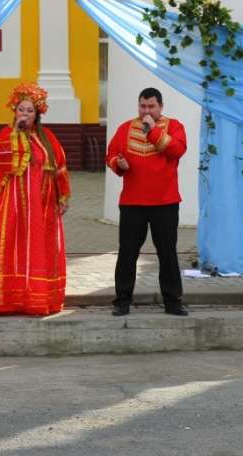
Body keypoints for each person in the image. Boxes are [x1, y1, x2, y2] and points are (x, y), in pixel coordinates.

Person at [0, 82, 71, 315]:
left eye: (30, 111)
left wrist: (63, 196)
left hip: (43, 206)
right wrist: (16, 134)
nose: (25, 114)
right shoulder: (5, 134)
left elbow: (60, 168)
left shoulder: (48, 137)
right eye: (21, 110)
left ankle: (39, 298)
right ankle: (8, 299)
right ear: (14, 111)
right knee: (11, 246)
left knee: (40, 249)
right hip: (13, 205)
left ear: (37, 113)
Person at [106, 87, 188, 316]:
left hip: (165, 202)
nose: (146, 111)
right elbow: (111, 154)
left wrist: (153, 130)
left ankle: (173, 302)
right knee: (127, 253)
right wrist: (117, 164)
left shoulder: (174, 126)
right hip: (132, 202)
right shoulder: (125, 128)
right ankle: (122, 301)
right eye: (143, 106)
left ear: (161, 107)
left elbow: (177, 150)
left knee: (167, 253)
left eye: (151, 106)